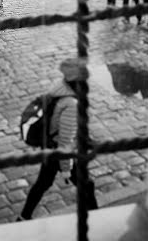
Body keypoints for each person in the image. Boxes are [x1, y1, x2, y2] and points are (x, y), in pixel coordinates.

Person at [18, 58, 98, 221]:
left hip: (50, 147)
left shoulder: (59, 89)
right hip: (59, 152)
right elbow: (65, 141)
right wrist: (66, 168)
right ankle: (97, 216)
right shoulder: (71, 104)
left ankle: (24, 217)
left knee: (43, 183)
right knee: (86, 185)